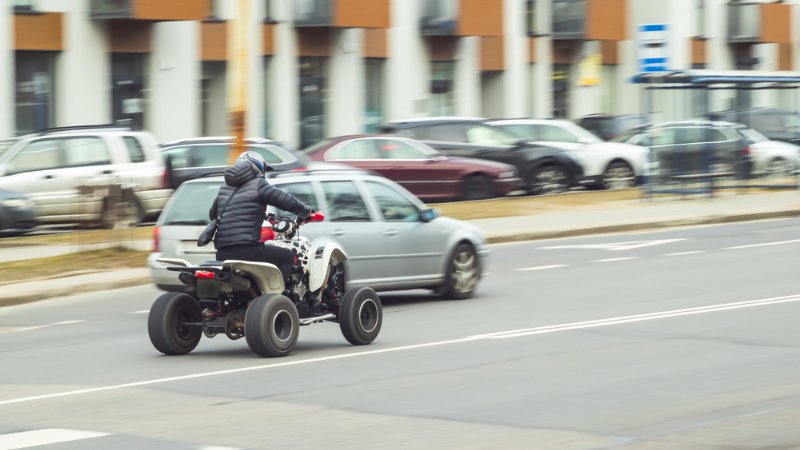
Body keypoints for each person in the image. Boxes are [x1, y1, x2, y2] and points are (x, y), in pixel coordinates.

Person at [209, 151, 313, 284]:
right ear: (258, 169)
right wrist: (305, 212)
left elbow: (212, 215)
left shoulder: (225, 187)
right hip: (247, 250)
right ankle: (277, 298)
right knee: (287, 257)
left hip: (222, 253)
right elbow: (285, 200)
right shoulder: (258, 184)